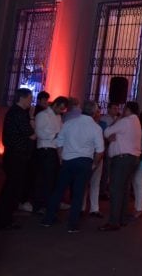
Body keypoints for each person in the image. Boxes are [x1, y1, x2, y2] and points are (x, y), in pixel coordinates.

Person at [41, 100, 105, 233]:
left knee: (58, 190)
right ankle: (72, 224)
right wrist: (94, 163)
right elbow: (100, 150)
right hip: (84, 162)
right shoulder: (96, 128)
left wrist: (61, 157)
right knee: (78, 194)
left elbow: (59, 143)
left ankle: (48, 219)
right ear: (94, 112)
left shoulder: (69, 123)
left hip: (68, 160)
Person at [0, 87, 36, 230]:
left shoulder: (14, 112)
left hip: (14, 154)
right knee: (12, 188)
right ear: (22, 98)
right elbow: (31, 134)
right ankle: (3, 219)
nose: (31, 101)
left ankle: (2, 216)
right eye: (30, 98)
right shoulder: (18, 113)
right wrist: (31, 117)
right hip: (16, 156)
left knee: (11, 187)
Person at [100, 100, 141, 231]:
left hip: (122, 159)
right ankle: (122, 218)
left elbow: (106, 132)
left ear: (128, 110)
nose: (121, 111)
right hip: (132, 159)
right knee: (124, 189)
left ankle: (113, 222)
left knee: (115, 190)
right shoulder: (136, 122)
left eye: (123, 109)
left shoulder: (125, 121)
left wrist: (116, 123)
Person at [31, 95, 67, 214]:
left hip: (54, 150)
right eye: (60, 108)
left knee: (52, 179)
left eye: (63, 110)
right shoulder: (42, 115)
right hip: (45, 149)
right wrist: (56, 135)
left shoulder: (58, 117)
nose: (61, 111)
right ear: (55, 104)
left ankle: (48, 204)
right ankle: (39, 205)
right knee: (44, 179)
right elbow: (40, 132)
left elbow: (62, 131)